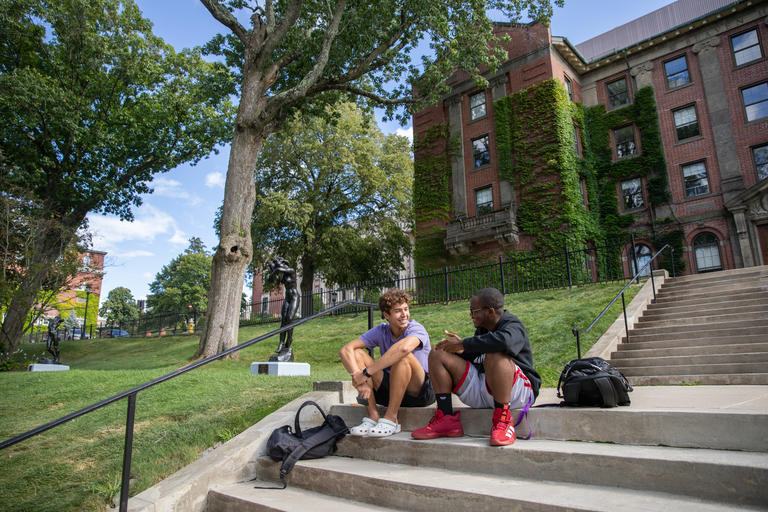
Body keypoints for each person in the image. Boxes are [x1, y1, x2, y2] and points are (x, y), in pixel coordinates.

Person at [412, 287, 541, 446]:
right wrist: (459, 349)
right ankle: (445, 418)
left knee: (495, 352)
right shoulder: (483, 330)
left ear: (490, 311)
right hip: (485, 388)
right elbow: (476, 357)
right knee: (438, 352)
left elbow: (503, 342)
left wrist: (464, 344)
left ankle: (503, 421)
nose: (471, 315)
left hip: (516, 393)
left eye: (474, 311)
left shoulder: (512, 325)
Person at [339, 288, 435, 437]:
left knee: (404, 356)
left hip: (419, 392)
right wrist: (358, 378)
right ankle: (373, 416)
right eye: (398, 311)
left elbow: (403, 349)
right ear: (386, 315)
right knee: (357, 353)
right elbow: (346, 350)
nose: (404, 315)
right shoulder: (381, 331)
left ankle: (392, 418)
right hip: (390, 390)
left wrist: (367, 373)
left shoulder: (416, 328)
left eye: (406, 309)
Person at [266, 256, 299, 362]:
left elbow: (279, 269)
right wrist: (272, 272)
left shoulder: (290, 270)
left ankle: (289, 339)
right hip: (287, 298)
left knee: (289, 318)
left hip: (294, 296)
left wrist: (273, 267)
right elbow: (271, 280)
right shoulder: (282, 275)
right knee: (283, 320)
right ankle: (281, 343)